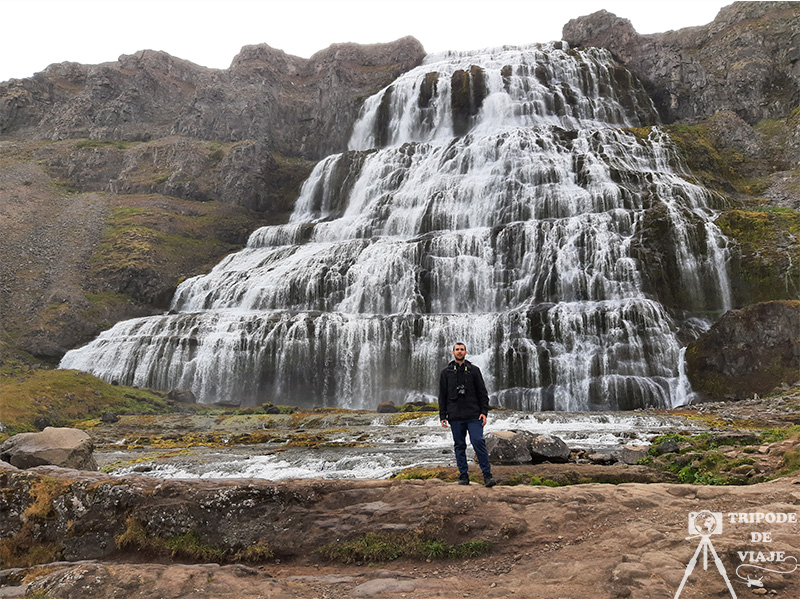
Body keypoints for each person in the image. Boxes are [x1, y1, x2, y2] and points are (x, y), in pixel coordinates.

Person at [438, 342, 497, 487]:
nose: (459, 352)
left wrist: (484, 412)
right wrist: (442, 415)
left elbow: (482, 393)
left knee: (478, 441)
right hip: (455, 416)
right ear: (453, 352)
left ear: (466, 352)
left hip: (473, 415)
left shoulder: (474, 370)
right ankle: (463, 476)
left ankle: (487, 476)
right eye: (457, 349)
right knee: (459, 446)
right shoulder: (446, 373)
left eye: (462, 350)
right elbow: (442, 395)